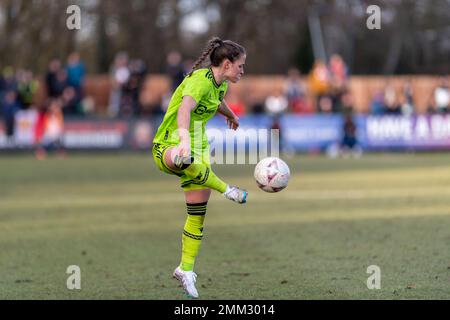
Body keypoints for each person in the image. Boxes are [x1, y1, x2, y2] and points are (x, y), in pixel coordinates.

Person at [152, 37, 247, 299]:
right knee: (185, 160)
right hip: (170, 143)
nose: (242, 71)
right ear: (226, 64)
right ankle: (227, 189)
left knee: (197, 214)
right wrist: (183, 138)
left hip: (199, 146)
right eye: (240, 66)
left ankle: (185, 269)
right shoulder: (199, 81)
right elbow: (185, 108)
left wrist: (231, 115)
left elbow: (215, 101)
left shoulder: (219, 84)